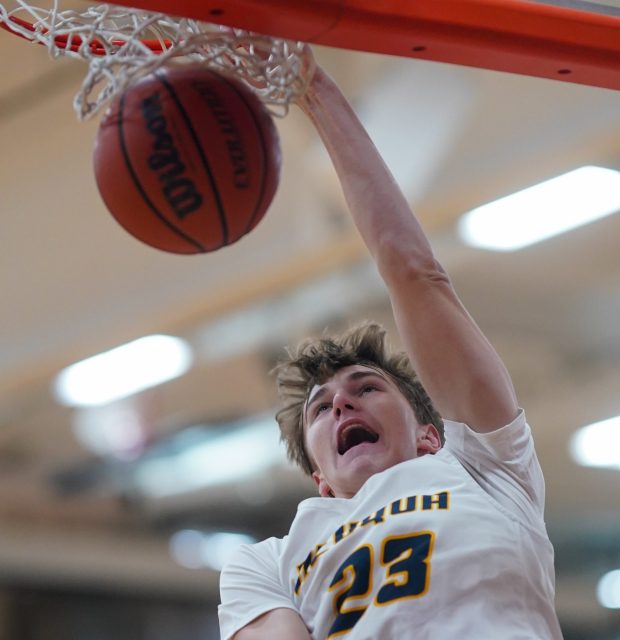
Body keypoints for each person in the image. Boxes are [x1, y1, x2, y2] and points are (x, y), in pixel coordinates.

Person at [218, 49, 564, 639]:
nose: (341, 405)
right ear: (321, 481)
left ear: (431, 436)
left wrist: (314, 90)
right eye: (321, 409)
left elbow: (413, 271)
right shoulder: (265, 563)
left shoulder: (484, 466)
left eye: (366, 388)